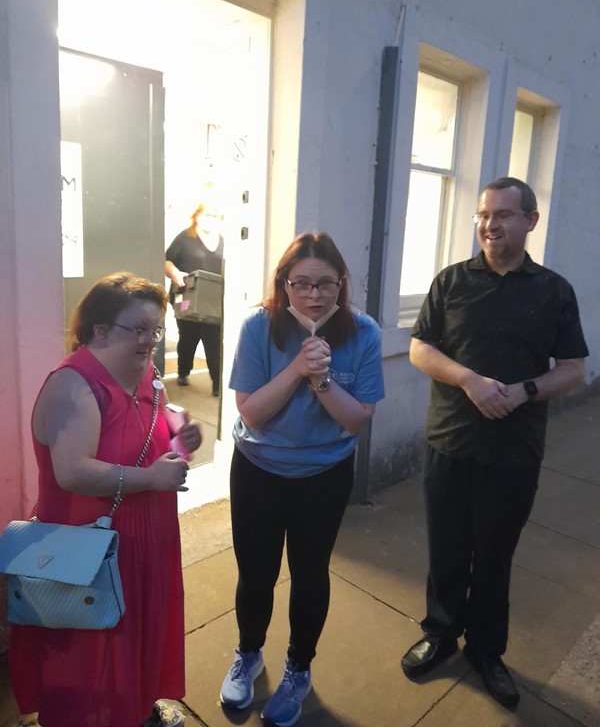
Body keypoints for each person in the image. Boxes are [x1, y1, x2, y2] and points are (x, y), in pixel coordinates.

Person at [400, 177, 588, 709]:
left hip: (514, 452)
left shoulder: (554, 291)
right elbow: (419, 348)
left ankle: (486, 649)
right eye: (484, 214)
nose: (490, 224)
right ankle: (440, 633)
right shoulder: (452, 282)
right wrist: (468, 380)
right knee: (447, 549)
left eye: (503, 215)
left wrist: (526, 390)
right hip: (450, 442)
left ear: (530, 220)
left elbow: (572, 370)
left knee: (496, 555)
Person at [9, 272, 202, 727]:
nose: (150, 340)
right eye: (138, 329)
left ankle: (134, 708)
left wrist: (177, 434)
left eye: (156, 329)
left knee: (135, 631)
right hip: (89, 542)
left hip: (143, 536)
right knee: (91, 646)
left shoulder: (147, 374)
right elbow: (72, 471)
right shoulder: (74, 384)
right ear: (99, 331)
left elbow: (153, 421)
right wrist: (153, 477)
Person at [219, 232, 385, 727]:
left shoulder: (365, 333)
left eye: (326, 284)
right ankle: (249, 654)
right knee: (256, 572)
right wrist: (295, 368)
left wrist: (322, 379)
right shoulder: (257, 327)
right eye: (302, 284)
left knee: (310, 573)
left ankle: (299, 667)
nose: (314, 295)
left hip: (324, 475)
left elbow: (355, 419)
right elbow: (253, 413)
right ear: (284, 284)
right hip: (258, 470)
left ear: (342, 284)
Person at [165, 201, 224, 395]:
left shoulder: (222, 240)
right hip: (186, 296)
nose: (211, 219)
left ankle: (217, 384)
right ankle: (183, 371)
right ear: (196, 216)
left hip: (212, 302)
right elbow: (167, 261)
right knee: (188, 337)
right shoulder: (184, 238)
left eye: (215, 216)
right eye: (207, 215)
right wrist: (176, 274)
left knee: (213, 340)